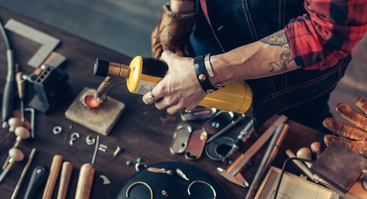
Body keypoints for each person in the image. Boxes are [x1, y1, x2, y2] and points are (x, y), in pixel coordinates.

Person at [143, 0, 367, 131]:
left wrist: (205, 74)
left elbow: (327, 34)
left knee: (298, 134)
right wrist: (180, 12)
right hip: (209, 32)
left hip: (289, 80)